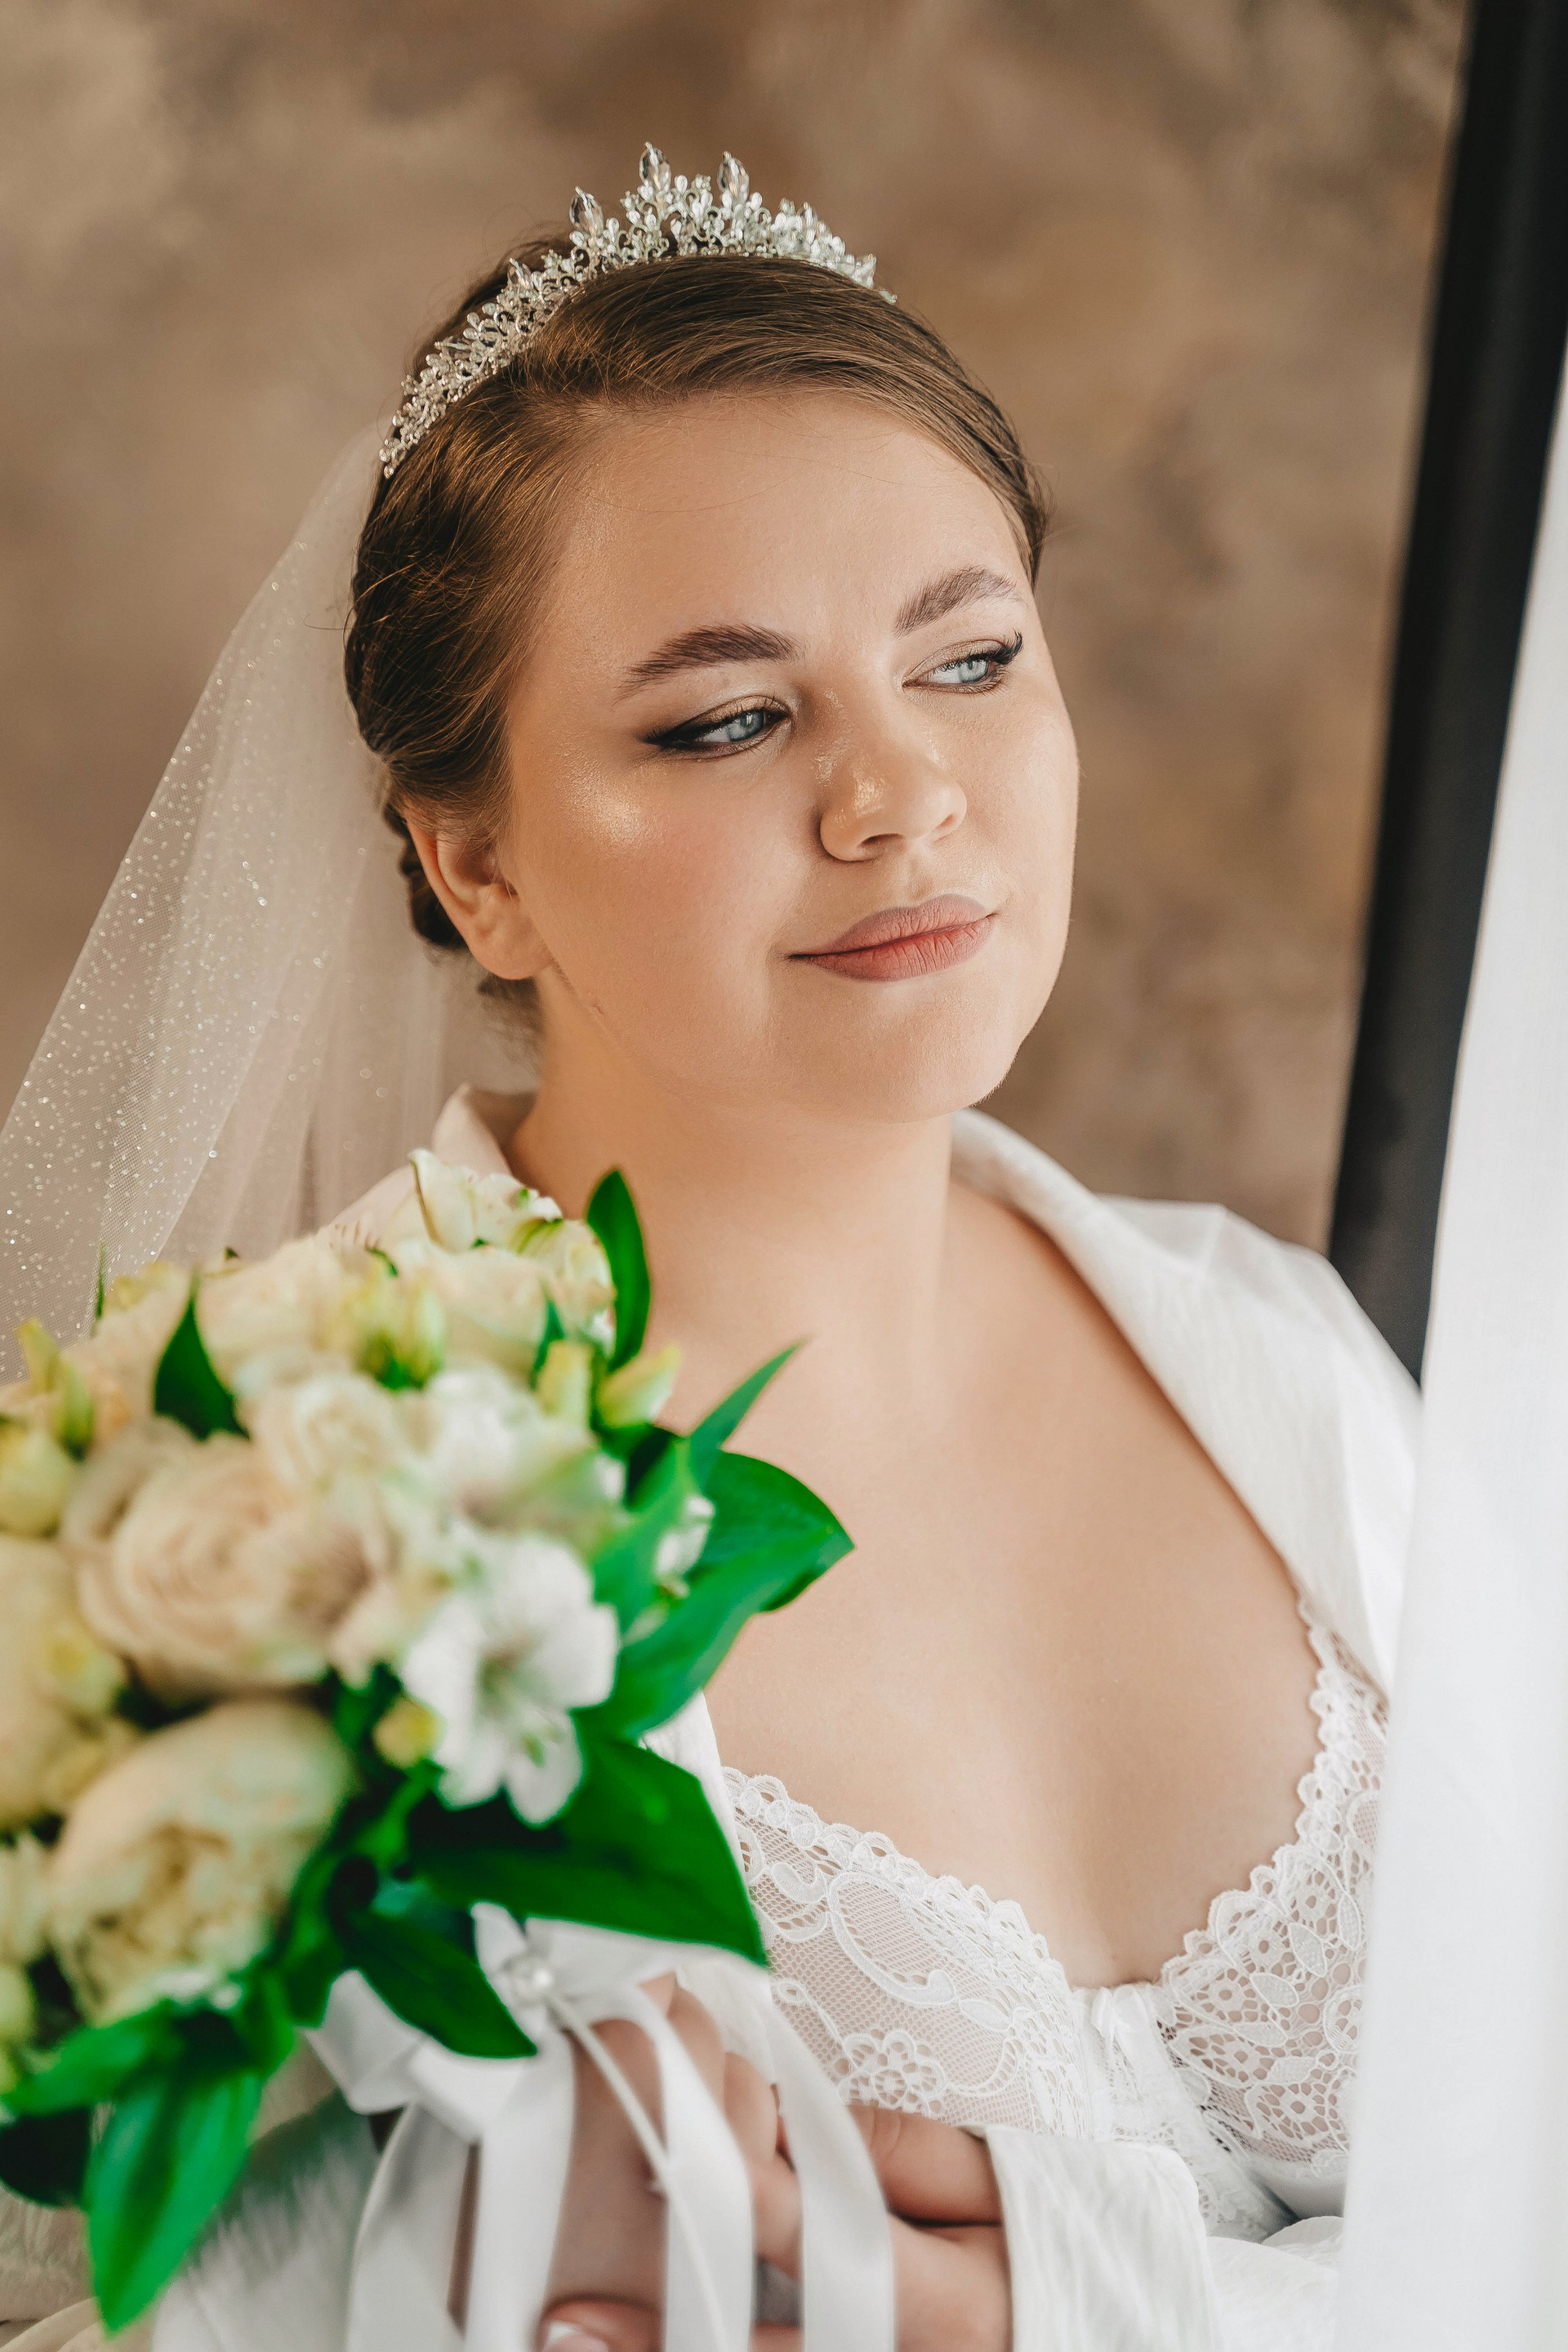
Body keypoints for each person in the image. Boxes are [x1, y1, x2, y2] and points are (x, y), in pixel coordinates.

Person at [0, 151, 1414, 2351]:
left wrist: (1091, 2307)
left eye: (971, 658)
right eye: (729, 719)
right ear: (474, 865)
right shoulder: (256, 1555)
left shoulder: (1284, 1362)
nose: (900, 796)